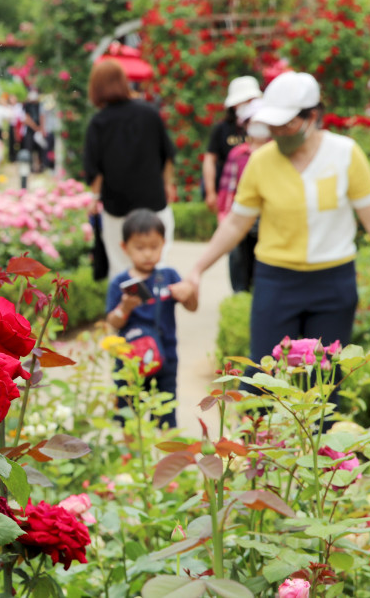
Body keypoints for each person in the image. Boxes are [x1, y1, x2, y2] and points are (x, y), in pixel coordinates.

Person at [185, 72, 370, 403]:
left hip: (333, 284)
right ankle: (261, 454)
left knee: (324, 388)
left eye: (286, 124)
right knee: (263, 383)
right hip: (276, 282)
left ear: (313, 117)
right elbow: (236, 223)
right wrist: (197, 269)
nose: (278, 133)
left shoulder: (345, 154)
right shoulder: (262, 161)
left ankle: (320, 453)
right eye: (273, 126)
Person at [83, 58, 178, 281]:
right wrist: (168, 184)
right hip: (153, 200)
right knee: (157, 261)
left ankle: (128, 312)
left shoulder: (98, 122)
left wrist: (94, 197)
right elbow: (167, 155)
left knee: (121, 267)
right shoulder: (149, 113)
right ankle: (154, 309)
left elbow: (95, 169)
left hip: (118, 206)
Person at [106, 209, 197, 428]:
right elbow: (113, 322)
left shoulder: (169, 277)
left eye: (154, 247)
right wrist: (124, 308)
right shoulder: (120, 283)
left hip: (165, 357)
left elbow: (192, 307)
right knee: (129, 416)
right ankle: (132, 458)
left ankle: (161, 459)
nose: (147, 253)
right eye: (140, 247)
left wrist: (189, 291)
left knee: (164, 416)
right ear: (124, 247)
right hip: (130, 360)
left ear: (164, 244)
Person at [215, 98, 269, 293]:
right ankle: (239, 294)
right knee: (238, 258)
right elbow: (228, 187)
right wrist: (224, 215)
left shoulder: (277, 153)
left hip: (266, 218)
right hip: (241, 214)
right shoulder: (238, 154)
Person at [203, 76, 262, 212]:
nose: (249, 103)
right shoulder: (222, 129)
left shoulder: (264, 126)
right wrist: (210, 191)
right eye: (245, 100)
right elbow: (209, 159)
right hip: (231, 190)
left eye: (251, 100)